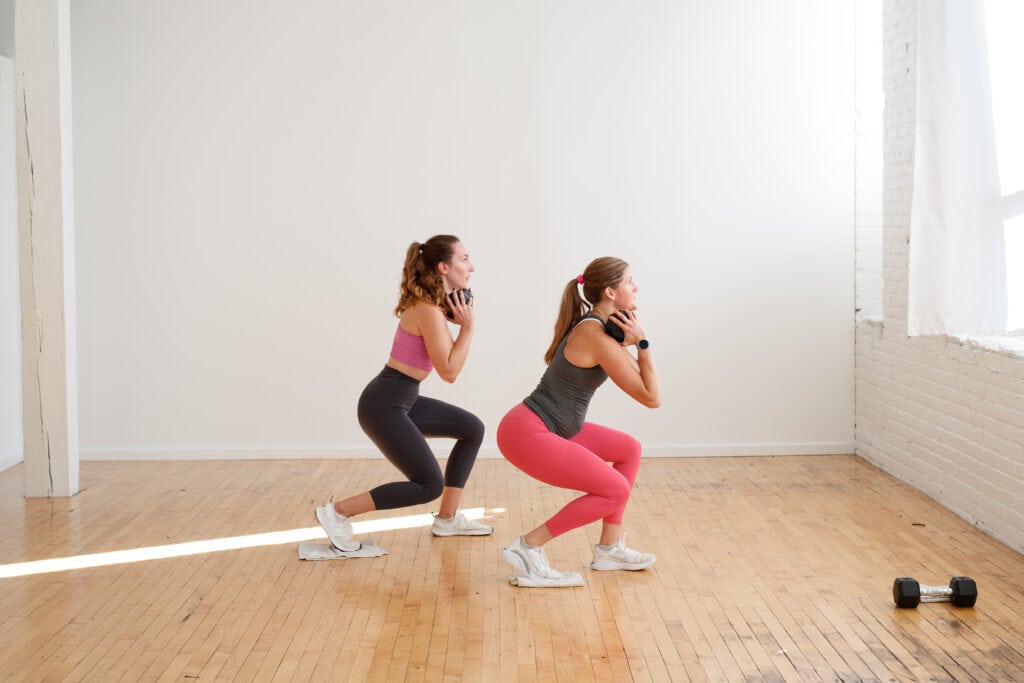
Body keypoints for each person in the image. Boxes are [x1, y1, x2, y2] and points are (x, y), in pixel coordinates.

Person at [315, 235, 492, 552]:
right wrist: (467, 327)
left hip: (402, 398)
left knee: (472, 428)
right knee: (428, 485)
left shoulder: (432, 308)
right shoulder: (427, 311)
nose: (471, 267)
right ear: (443, 267)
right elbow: (449, 372)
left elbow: (449, 364)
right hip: (384, 403)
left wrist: (458, 322)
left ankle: (448, 519)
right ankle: (337, 512)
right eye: (465, 259)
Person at [498, 257, 661, 586]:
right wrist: (643, 344)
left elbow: (646, 390)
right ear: (611, 292)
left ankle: (610, 548)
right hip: (527, 432)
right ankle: (528, 546)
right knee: (614, 490)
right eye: (631, 281)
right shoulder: (595, 335)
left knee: (629, 449)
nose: (637, 287)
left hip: (553, 426)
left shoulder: (600, 330)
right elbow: (651, 397)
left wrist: (634, 343)